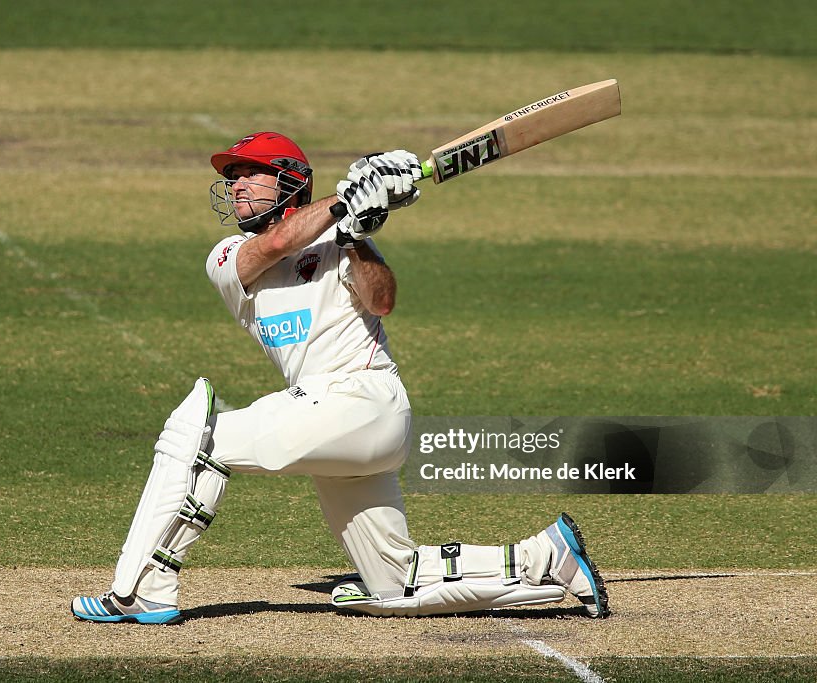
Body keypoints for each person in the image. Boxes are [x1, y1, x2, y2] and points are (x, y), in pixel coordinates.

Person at [71, 132, 609, 624]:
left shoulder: (340, 244)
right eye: (230, 176)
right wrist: (347, 199)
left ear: (289, 183)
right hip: (329, 415)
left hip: (363, 399)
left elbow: (383, 300)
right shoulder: (229, 257)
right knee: (393, 584)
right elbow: (276, 246)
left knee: (197, 436)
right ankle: (548, 557)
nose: (234, 186)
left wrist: (355, 234)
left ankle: (142, 588)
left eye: (248, 174)